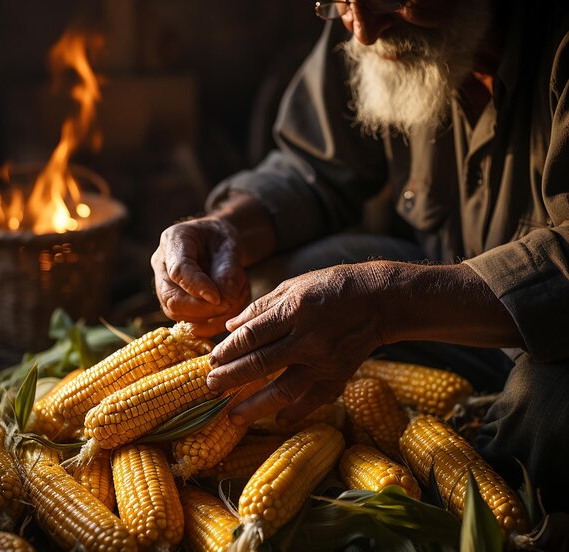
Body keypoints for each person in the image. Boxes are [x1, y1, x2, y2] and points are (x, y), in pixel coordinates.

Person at [151, 0, 569, 512]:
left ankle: (481, 532)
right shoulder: (368, 19)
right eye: (340, 3)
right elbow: (312, 166)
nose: (365, 34)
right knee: (269, 295)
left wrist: (381, 303)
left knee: (548, 401)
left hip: (551, 339)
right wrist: (227, 226)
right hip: (456, 324)